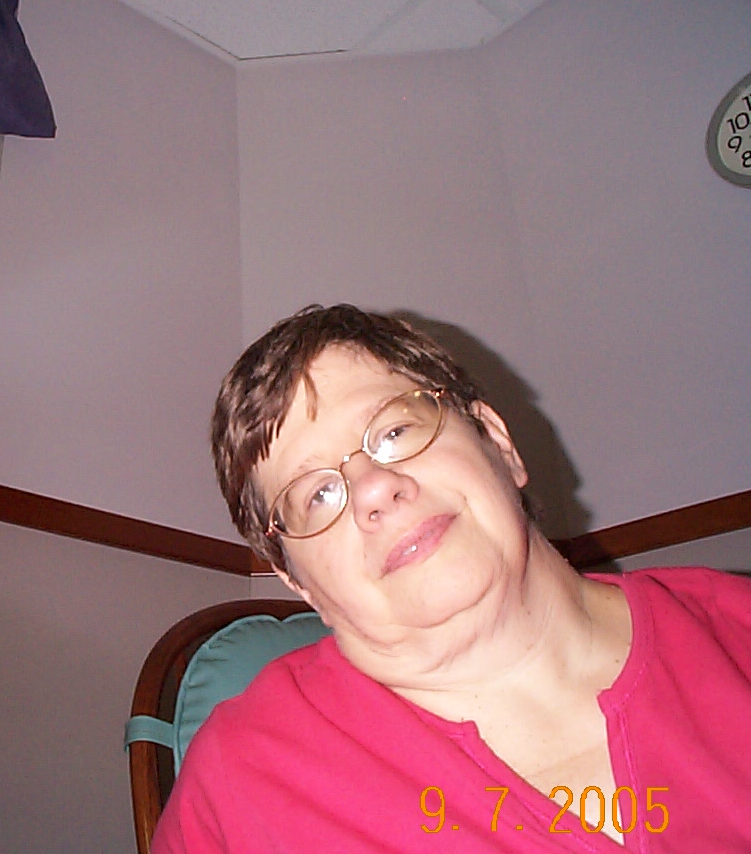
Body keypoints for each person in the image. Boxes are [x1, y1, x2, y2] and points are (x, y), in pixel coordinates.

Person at [150, 304, 751, 853]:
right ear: (300, 585)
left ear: (498, 443)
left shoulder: (737, 630)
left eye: (394, 432)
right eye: (318, 495)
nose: (373, 491)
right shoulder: (240, 784)